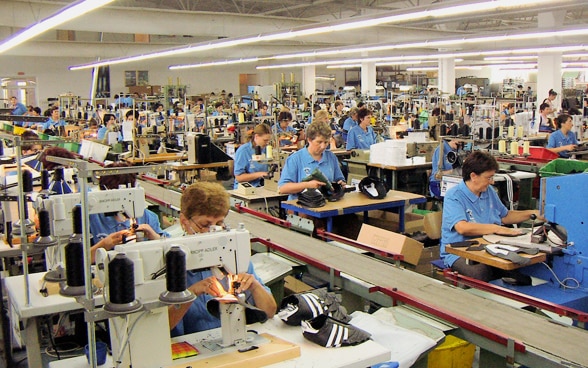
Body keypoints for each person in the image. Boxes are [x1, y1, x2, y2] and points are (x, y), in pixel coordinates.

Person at [169, 181, 276, 336]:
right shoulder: (172, 266)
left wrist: (254, 286)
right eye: (205, 225)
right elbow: (163, 327)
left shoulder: (232, 255)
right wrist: (191, 293)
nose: (213, 231)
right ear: (184, 221)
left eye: (220, 223)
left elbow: (270, 311)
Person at [441, 151, 542, 281]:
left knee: (521, 273)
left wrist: (532, 213)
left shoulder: (488, 192)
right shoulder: (454, 195)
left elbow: (505, 216)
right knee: (482, 273)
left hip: (488, 247)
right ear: (473, 176)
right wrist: (497, 228)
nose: (492, 181)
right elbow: (462, 228)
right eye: (488, 177)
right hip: (459, 252)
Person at [89, 162, 168, 262]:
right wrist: (105, 244)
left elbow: (169, 249)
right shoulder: (92, 219)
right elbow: (79, 260)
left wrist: (155, 237)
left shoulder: (147, 217)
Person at [278, 121, 345, 200]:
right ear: (309, 139)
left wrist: (341, 184)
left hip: (326, 204)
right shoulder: (295, 159)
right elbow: (282, 188)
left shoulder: (331, 157)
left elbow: (340, 180)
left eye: (326, 142)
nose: (323, 146)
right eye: (319, 142)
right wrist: (307, 185)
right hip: (301, 206)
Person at [233, 123, 272, 189]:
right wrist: (259, 174)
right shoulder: (243, 151)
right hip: (247, 188)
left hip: (264, 186)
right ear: (256, 137)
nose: (267, 143)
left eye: (268, 140)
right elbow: (239, 177)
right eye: (265, 140)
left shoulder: (267, 149)